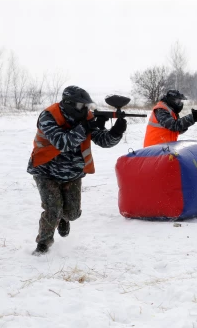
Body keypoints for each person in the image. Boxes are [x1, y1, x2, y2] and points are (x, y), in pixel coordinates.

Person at [27, 86, 127, 255]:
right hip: (46, 170)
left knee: (73, 213)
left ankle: (64, 219)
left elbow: (103, 141)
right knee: (53, 209)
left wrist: (116, 132)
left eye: (87, 106)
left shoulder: (87, 117)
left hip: (73, 172)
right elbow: (61, 142)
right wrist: (86, 127)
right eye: (82, 106)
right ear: (68, 104)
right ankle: (43, 245)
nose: (86, 110)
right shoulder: (49, 116)